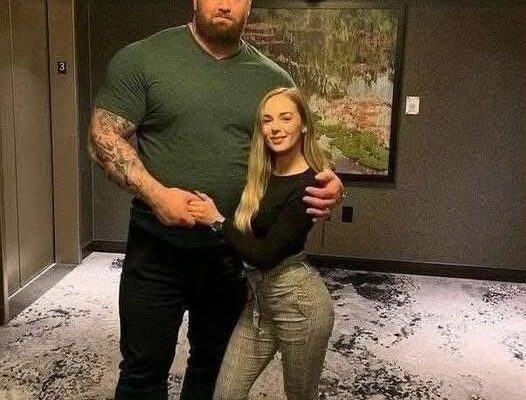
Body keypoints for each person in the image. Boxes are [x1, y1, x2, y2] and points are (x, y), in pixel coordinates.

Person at [88, 1, 343, 399]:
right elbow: (102, 136)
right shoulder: (143, 58)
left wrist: (331, 183)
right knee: (142, 371)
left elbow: (295, 152)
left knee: (213, 369)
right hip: (156, 249)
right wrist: (157, 195)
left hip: (228, 252)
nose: (225, 3)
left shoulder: (271, 78)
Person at [188, 87, 335, 400]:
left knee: (300, 396)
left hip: (299, 303)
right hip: (258, 301)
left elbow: (264, 254)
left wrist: (216, 220)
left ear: (304, 124)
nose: (275, 127)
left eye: (286, 118)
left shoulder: (310, 186)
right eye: (267, 120)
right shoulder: (261, 175)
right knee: (226, 393)